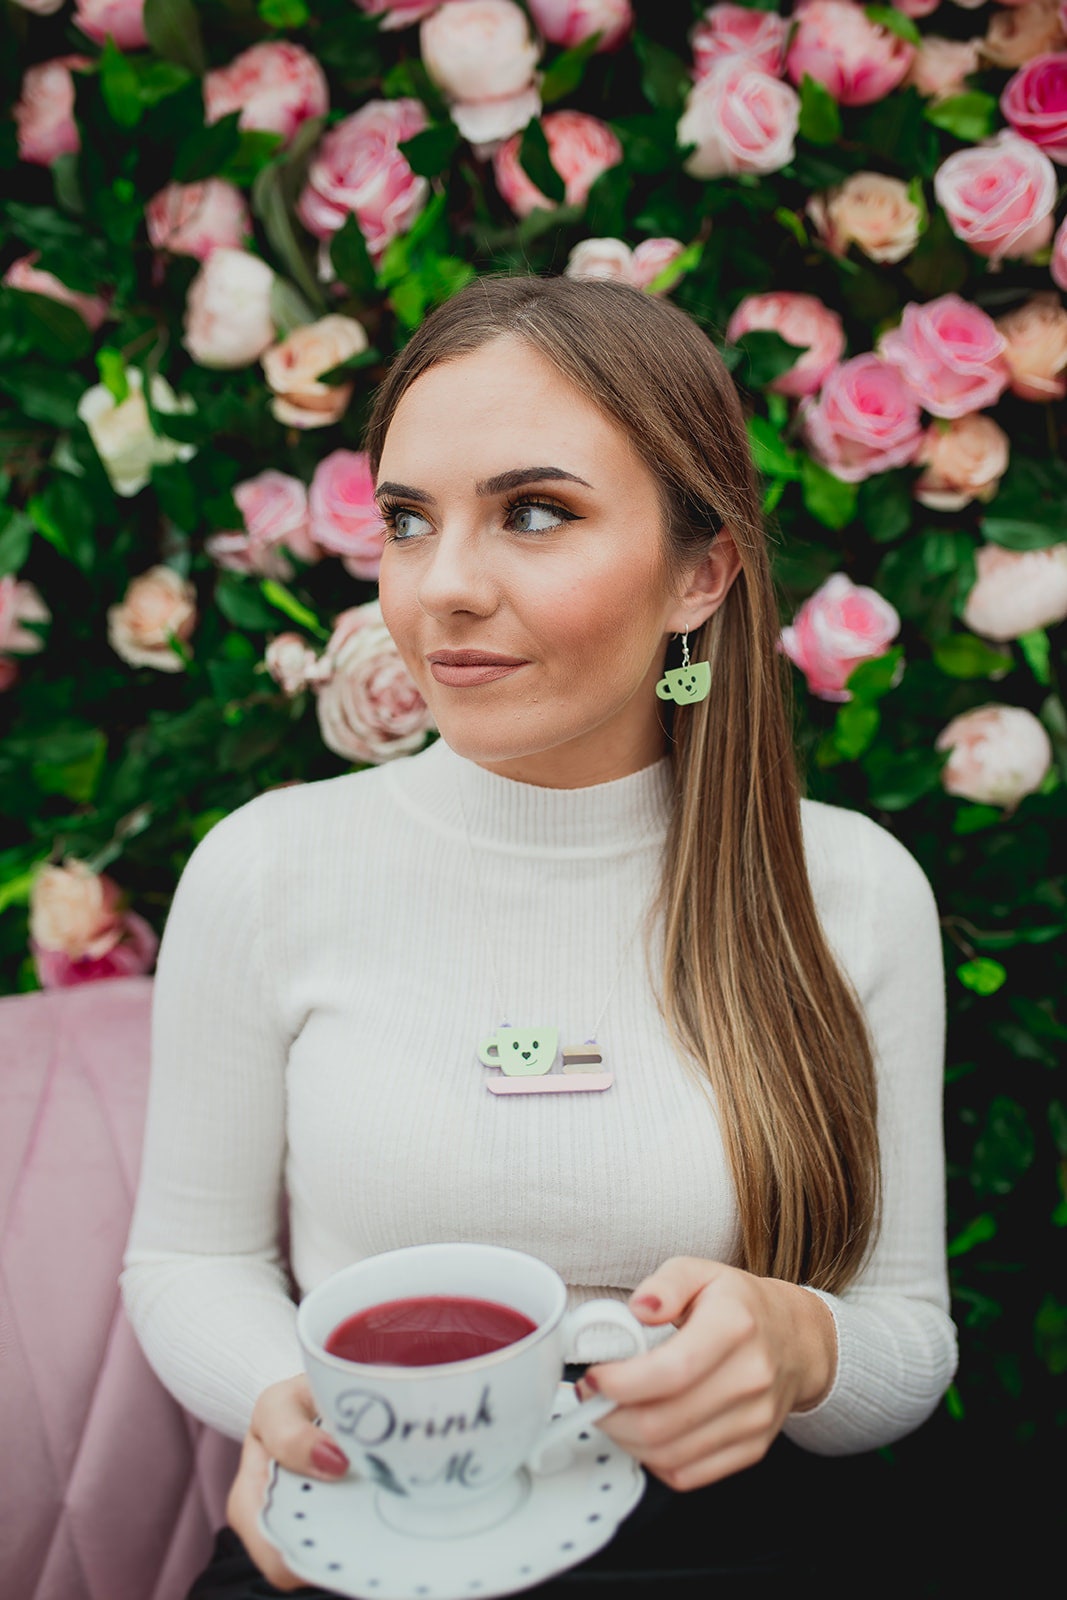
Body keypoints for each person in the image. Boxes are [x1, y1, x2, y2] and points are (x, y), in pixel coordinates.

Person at [121, 273, 958, 1598]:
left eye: (533, 513)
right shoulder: (270, 867)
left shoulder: (851, 889)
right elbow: (193, 1259)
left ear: (701, 571)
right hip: (371, 1526)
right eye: (408, 520)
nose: (442, 588)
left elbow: (906, 1342)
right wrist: (289, 1398)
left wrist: (801, 1347)